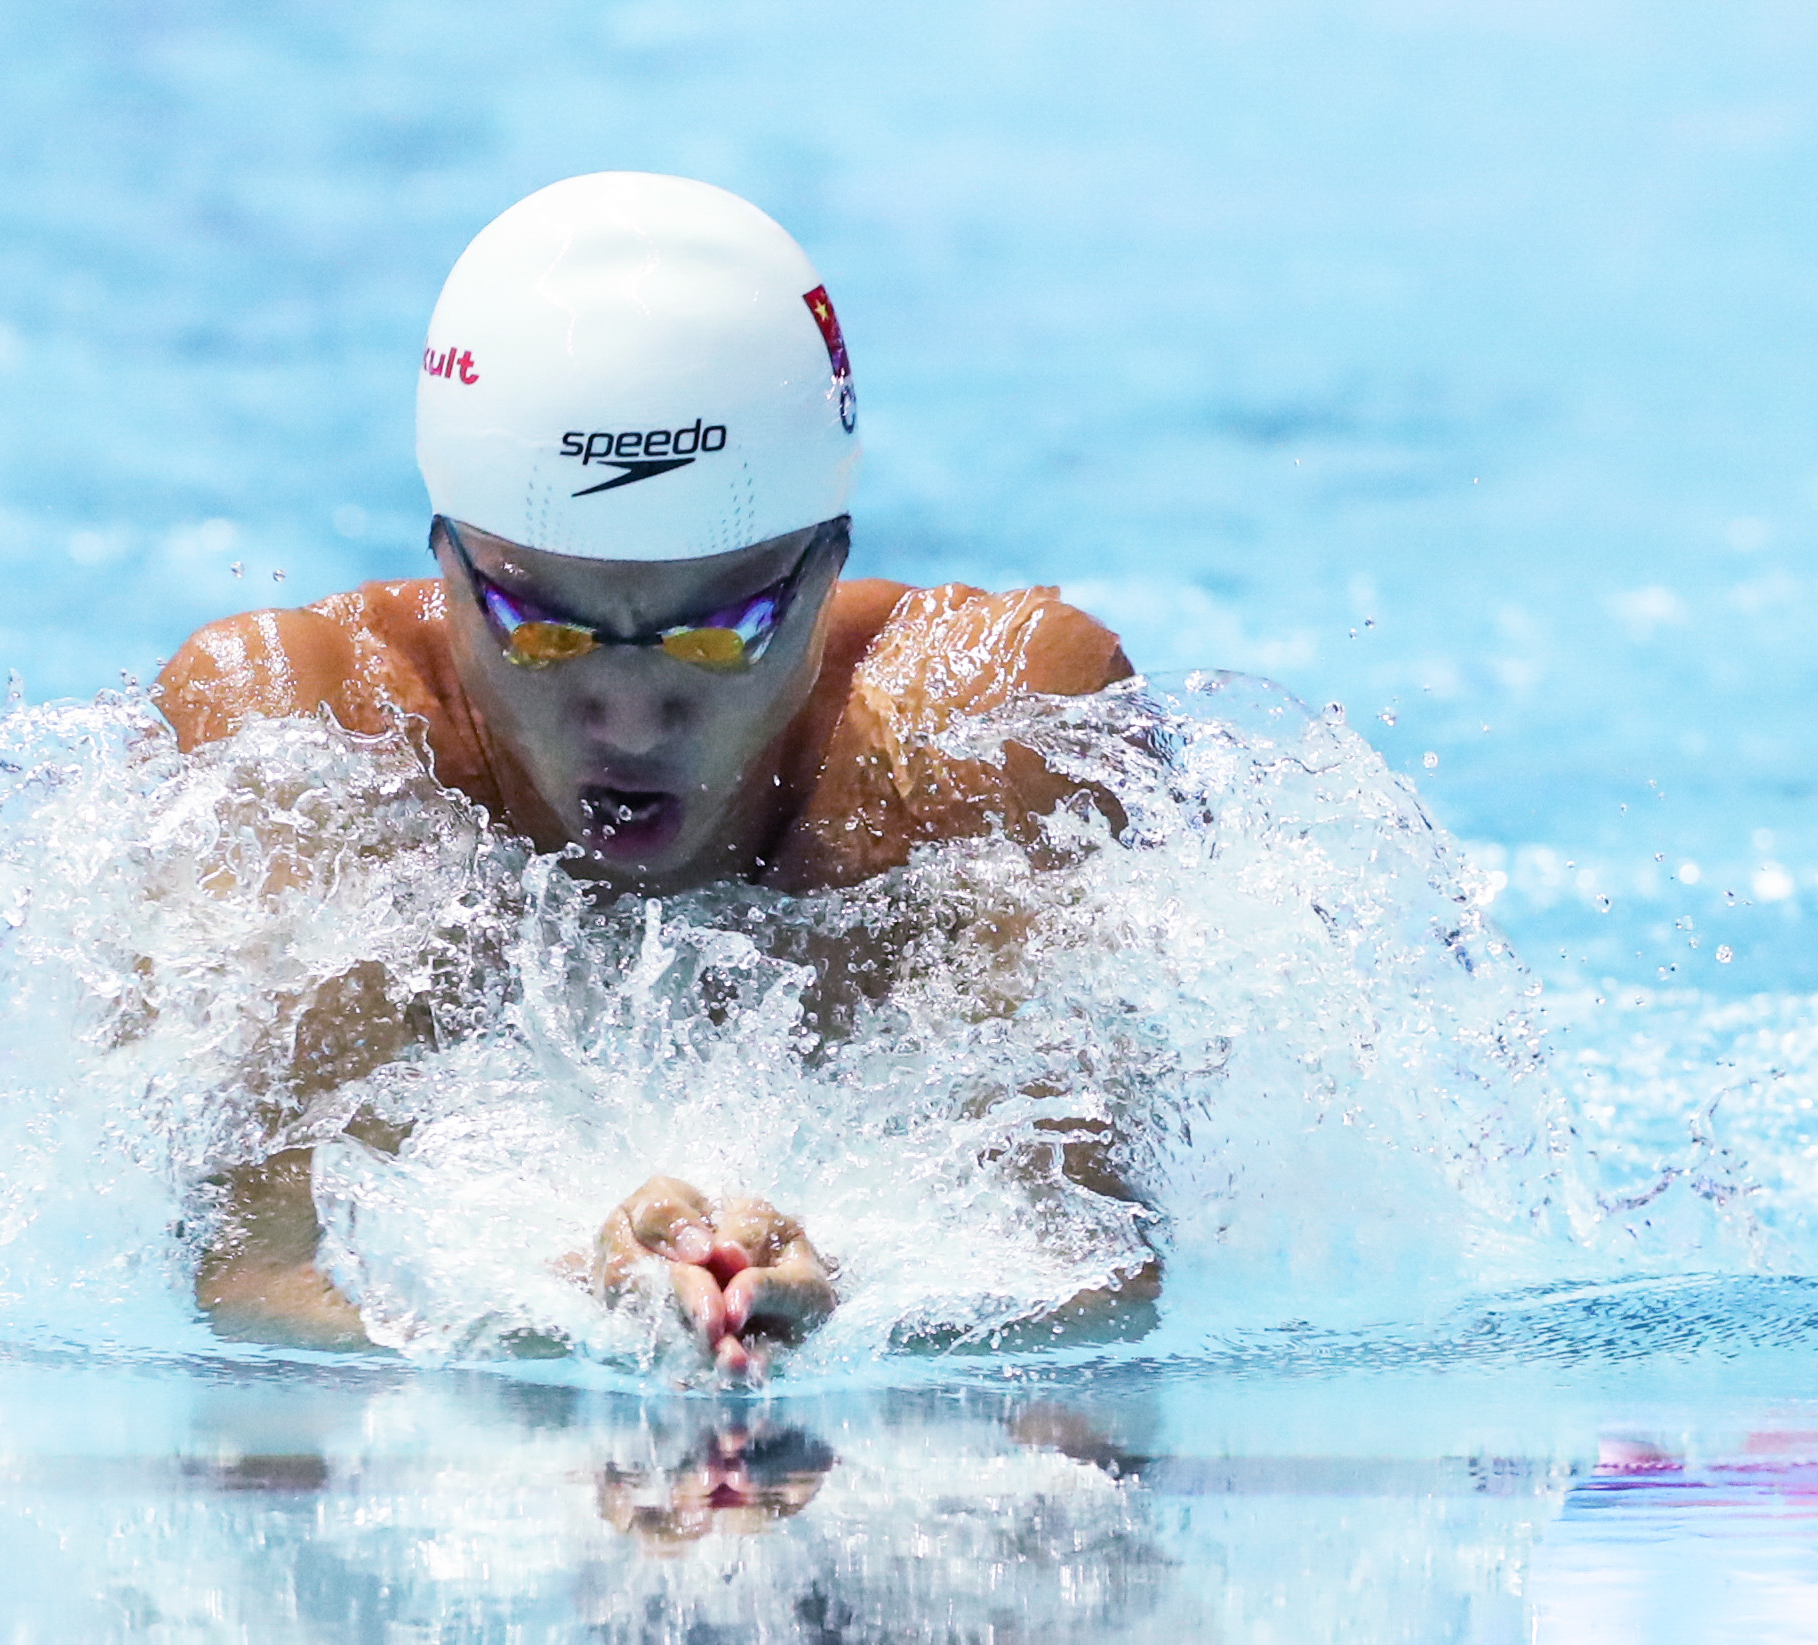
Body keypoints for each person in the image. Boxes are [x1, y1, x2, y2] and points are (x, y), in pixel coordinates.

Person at [160, 173, 1139, 1376]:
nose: (628, 712)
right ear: (445, 565)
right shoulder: (318, 739)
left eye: (719, 628)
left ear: (831, 567)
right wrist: (561, 1322)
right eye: (541, 624)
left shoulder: (983, 734)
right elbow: (254, 1278)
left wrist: (859, 1303)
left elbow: (1101, 1282)